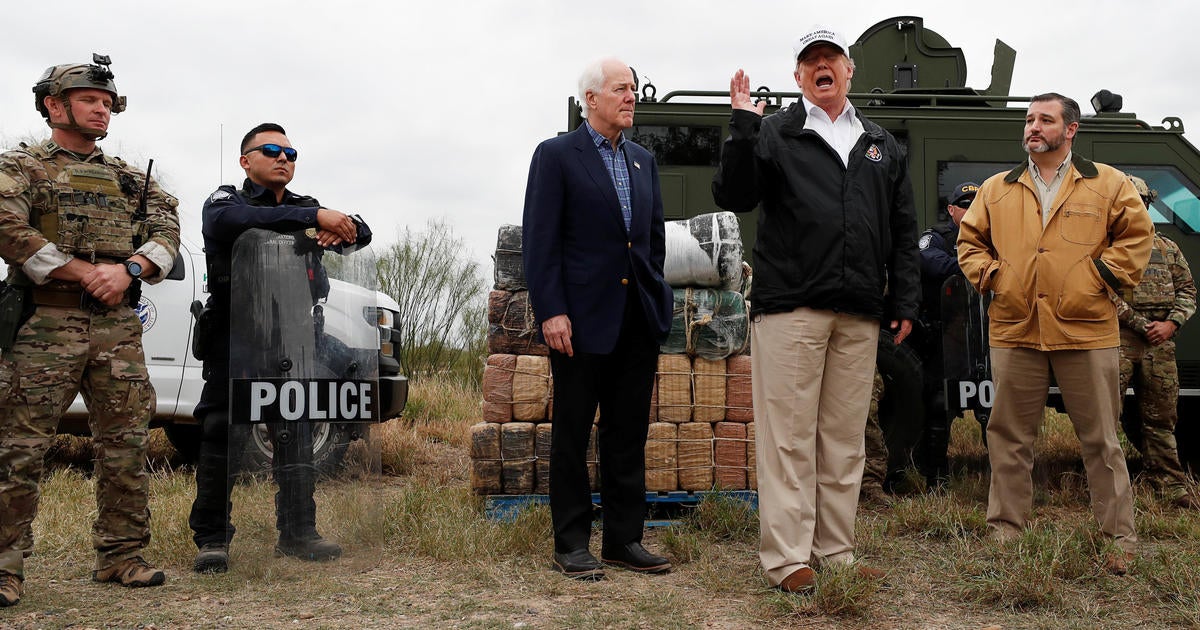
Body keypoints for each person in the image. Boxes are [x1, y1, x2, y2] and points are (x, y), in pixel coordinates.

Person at [712, 26, 920, 593]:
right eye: (811, 61)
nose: (822, 66)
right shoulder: (775, 133)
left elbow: (903, 227)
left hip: (859, 310)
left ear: (849, 70)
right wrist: (741, 127)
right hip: (791, 309)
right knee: (790, 439)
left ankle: (837, 552)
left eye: (831, 58)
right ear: (799, 76)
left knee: (844, 439)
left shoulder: (880, 142)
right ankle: (787, 560)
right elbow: (734, 196)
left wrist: (903, 298)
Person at [0, 55, 180, 606]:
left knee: (125, 442)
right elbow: (6, 225)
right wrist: (83, 271)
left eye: (107, 103)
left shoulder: (132, 178)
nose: (103, 109)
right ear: (55, 106)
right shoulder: (21, 166)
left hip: (117, 327)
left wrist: (128, 270)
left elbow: (166, 232)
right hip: (44, 321)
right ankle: (5, 567)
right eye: (90, 100)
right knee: (20, 447)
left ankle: (121, 557)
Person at [957, 93, 1153, 575]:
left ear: (1071, 130)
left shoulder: (1108, 183)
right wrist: (995, 278)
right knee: (1007, 436)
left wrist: (1099, 279)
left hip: (1086, 330)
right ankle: (1006, 532)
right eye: (1028, 119)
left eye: (1045, 119)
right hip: (1015, 328)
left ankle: (1120, 541)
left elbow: (1137, 236)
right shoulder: (997, 188)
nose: (1033, 127)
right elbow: (969, 243)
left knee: (1101, 439)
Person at [188, 123, 368, 573]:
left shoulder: (306, 207)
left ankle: (298, 532)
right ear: (246, 160)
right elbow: (232, 223)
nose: (283, 158)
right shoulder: (226, 201)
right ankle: (212, 539)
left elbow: (360, 232)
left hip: (293, 339)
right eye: (271, 151)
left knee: (296, 431)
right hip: (235, 339)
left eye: (290, 153)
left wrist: (340, 226)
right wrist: (314, 220)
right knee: (220, 433)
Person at [523, 58, 674, 581]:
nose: (631, 97)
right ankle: (571, 543)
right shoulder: (557, 155)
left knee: (627, 433)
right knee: (571, 431)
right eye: (620, 89)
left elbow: (649, 241)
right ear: (591, 98)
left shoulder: (642, 161)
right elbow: (540, 241)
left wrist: (659, 304)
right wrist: (552, 311)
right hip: (579, 322)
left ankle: (623, 540)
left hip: (637, 320)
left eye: (632, 88)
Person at [1113, 175, 1198, 509]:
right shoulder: (1105, 248)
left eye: (1141, 202)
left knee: (1161, 418)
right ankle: (1110, 488)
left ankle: (1168, 485)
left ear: (1147, 205)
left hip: (1159, 343)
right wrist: (1138, 322)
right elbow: (1100, 294)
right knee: (1105, 418)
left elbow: (1188, 291)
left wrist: (1171, 324)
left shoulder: (1166, 247)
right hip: (1118, 340)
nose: (1135, 208)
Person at [916, 181, 978, 486]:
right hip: (943, 336)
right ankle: (935, 477)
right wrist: (975, 267)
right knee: (940, 404)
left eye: (976, 205)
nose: (971, 210)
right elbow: (931, 263)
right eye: (965, 205)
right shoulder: (937, 237)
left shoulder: (995, 236)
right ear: (951, 209)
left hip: (983, 339)